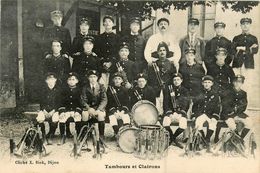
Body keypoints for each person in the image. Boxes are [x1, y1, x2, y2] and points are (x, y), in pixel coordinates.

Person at [148, 42, 177, 114]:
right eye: (160, 50)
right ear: (157, 52)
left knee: (167, 106)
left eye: (164, 50)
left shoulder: (171, 64)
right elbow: (150, 77)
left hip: (168, 88)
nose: (162, 52)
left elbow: (174, 77)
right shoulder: (153, 64)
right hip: (156, 88)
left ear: (166, 52)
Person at [162, 73, 190, 148]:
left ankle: (172, 139)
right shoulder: (168, 89)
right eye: (174, 80)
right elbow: (166, 103)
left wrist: (181, 113)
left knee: (183, 124)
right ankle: (174, 139)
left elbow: (186, 104)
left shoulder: (185, 90)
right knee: (165, 122)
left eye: (178, 80)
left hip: (180, 113)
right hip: (170, 113)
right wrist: (169, 112)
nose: (176, 81)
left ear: (181, 80)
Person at [224, 75, 253, 143]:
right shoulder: (228, 92)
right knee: (232, 125)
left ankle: (240, 139)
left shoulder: (243, 93)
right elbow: (225, 105)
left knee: (249, 122)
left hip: (239, 114)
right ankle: (234, 140)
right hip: (229, 114)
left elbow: (244, 105)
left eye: (239, 82)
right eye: (236, 81)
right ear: (233, 82)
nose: (237, 83)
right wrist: (233, 114)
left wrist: (237, 114)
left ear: (242, 83)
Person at [193, 75, 220, 146]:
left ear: (212, 84)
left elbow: (217, 107)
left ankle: (207, 138)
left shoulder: (215, 94)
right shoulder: (199, 93)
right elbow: (195, 105)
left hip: (210, 115)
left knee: (213, 123)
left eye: (209, 82)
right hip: (201, 114)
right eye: (205, 82)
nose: (207, 84)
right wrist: (194, 114)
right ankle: (204, 137)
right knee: (198, 123)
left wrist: (215, 116)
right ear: (202, 83)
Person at [81, 70, 107, 141]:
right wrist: (89, 108)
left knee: (101, 115)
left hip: (98, 108)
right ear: (88, 78)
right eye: (91, 77)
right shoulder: (85, 87)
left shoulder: (101, 87)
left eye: (94, 77)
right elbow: (83, 100)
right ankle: (84, 134)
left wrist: (98, 109)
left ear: (97, 78)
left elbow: (104, 100)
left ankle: (101, 135)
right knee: (84, 114)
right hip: (88, 108)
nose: (92, 79)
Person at [95, 15, 119, 89]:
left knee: (112, 86)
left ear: (112, 24)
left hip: (113, 66)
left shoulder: (117, 37)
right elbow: (96, 51)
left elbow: (118, 51)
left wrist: (111, 62)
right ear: (103, 24)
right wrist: (103, 62)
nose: (107, 23)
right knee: (102, 87)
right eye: (105, 22)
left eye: (109, 21)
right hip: (102, 66)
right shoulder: (99, 37)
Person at [58, 72, 82, 145]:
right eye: (69, 79)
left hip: (75, 110)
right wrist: (62, 111)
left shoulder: (79, 90)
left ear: (77, 81)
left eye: (73, 79)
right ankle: (62, 136)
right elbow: (61, 102)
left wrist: (78, 111)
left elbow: (81, 102)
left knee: (78, 118)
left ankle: (78, 136)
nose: (71, 81)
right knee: (62, 118)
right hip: (66, 110)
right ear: (67, 81)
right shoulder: (63, 90)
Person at [36, 73, 60, 145]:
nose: (51, 81)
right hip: (44, 110)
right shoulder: (43, 90)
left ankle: (51, 135)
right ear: (46, 81)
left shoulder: (58, 91)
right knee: (40, 118)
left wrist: (53, 111)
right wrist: (44, 111)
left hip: (54, 110)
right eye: (49, 79)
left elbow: (59, 103)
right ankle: (43, 135)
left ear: (55, 80)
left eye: (52, 79)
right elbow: (41, 102)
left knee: (55, 118)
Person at [106, 72, 130, 138]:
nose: (117, 80)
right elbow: (109, 103)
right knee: (112, 118)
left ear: (122, 80)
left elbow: (127, 103)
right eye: (115, 79)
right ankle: (117, 134)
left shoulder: (125, 90)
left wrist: (122, 111)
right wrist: (115, 112)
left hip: (122, 110)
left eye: (119, 79)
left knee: (126, 118)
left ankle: (125, 135)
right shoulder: (110, 90)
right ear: (113, 80)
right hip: (113, 110)